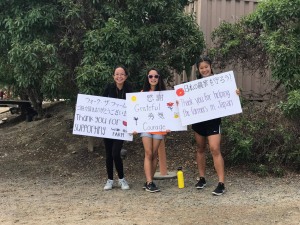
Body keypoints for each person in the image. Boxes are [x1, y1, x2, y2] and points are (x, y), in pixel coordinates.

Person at [192, 57, 240, 195]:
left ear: (211, 66)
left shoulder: (221, 81)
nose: (204, 70)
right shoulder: (196, 84)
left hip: (213, 120)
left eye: (206, 67)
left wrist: (236, 93)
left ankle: (221, 183)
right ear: (198, 70)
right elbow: (188, 100)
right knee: (200, 148)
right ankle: (202, 179)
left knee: (215, 149)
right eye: (201, 68)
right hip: (198, 119)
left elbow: (229, 95)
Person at [133, 68, 170, 193]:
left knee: (154, 154)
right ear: (147, 78)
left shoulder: (165, 95)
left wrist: (171, 125)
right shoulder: (142, 94)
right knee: (148, 153)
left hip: (159, 129)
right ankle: (149, 182)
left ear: (159, 78)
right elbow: (135, 111)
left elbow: (170, 112)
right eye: (150, 76)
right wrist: (134, 126)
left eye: (155, 76)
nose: (153, 78)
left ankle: (150, 180)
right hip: (146, 127)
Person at [102, 65, 133, 191]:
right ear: (113, 76)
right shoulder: (108, 87)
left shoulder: (129, 89)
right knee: (109, 154)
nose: (119, 76)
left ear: (125, 76)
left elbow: (135, 106)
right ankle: (110, 180)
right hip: (108, 126)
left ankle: (121, 179)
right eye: (117, 74)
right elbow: (99, 103)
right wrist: (82, 107)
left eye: (122, 74)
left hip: (122, 128)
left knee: (116, 153)